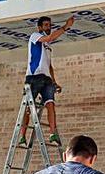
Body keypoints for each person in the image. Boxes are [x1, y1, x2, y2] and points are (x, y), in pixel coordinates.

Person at [22, 15, 75, 147]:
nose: (48, 27)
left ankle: (52, 134)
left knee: (50, 105)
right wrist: (65, 27)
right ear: (39, 27)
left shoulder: (48, 46)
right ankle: (22, 136)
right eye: (45, 25)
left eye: (49, 25)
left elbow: (49, 65)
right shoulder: (35, 36)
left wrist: (54, 81)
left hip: (46, 78)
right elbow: (50, 37)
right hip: (34, 77)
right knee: (27, 107)